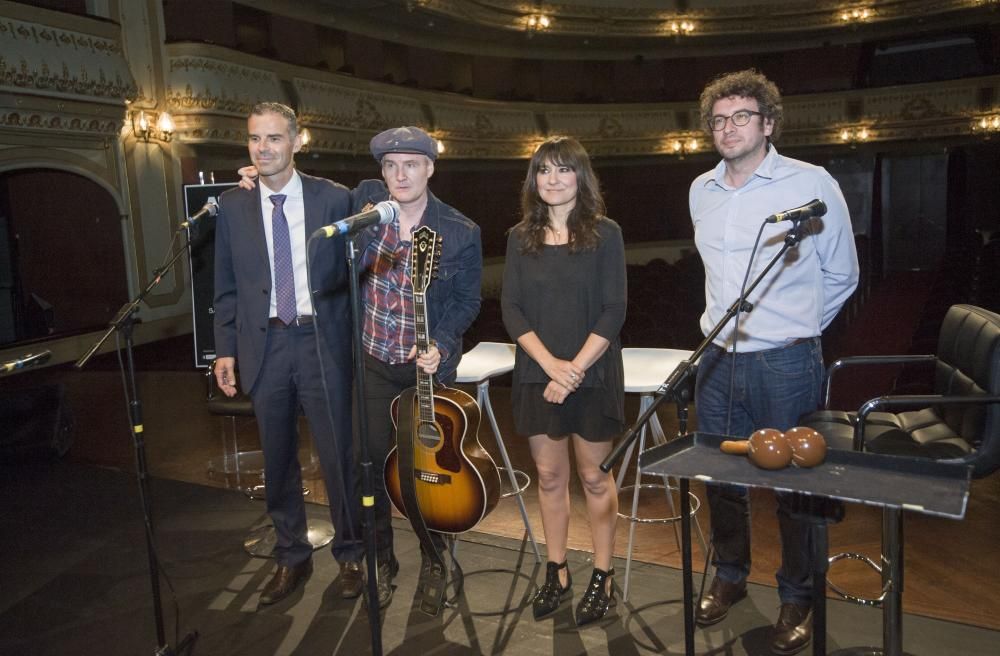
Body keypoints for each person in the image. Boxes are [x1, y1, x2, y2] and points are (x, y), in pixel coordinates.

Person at [688, 70, 859, 655]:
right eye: (719, 119)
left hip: (785, 361)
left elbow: (842, 274)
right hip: (716, 358)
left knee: (794, 486)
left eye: (741, 117)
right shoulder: (701, 191)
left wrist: (798, 327)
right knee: (720, 478)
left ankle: (797, 595)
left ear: (767, 123)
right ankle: (731, 577)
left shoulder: (811, 184)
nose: (728, 128)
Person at [214, 102, 357, 606]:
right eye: (255, 139)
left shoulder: (334, 199)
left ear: (298, 140)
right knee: (278, 460)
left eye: (274, 138)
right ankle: (291, 556)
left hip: (322, 342)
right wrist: (225, 348)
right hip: (265, 344)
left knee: (339, 455)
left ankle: (351, 554)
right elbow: (227, 284)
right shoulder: (232, 205)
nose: (263, 148)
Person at [347, 126, 483, 608]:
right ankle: (381, 559)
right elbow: (306, 189)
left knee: (427, 472)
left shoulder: (460, 230)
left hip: (426, 369)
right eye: (390, 165)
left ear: (430, 168)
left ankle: (435, 559)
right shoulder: (366, 209)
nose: (399, 175)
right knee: (368, 465)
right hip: (373, 360)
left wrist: (442, 345)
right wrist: (252, 180)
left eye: (410, 164)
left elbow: (468, 300)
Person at [501, 136, 626, 627]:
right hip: (537, 372)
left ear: (581, 177)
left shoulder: (606, 233)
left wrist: (572, 369)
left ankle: (603, 574)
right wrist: (552, 366)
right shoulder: (518, 237)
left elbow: (614, 309)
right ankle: (556, 570)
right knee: (550, 478)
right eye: (543, 171)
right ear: (534, 180)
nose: (552, 180)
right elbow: (510, 308)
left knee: (595, 478)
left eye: (563, 170)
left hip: (591, 372)